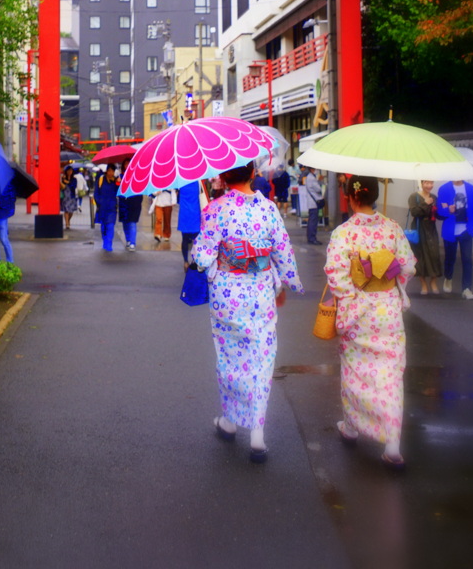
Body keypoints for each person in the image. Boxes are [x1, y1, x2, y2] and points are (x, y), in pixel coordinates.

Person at [190, 163, 303, 463]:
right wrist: (290, 281)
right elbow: (282, 251)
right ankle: (257, 435)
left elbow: (201, 257)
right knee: (261, 357)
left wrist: (202, 247)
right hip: (260, 292)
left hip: (227, 295)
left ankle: (230, 420)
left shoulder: (215, 209)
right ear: (253, 174)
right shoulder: (268, 209)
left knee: (229, 357)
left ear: (224, 176)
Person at [325, 176, 416, 469]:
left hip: (358, 312)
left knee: (355, 371)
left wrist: (354, 296)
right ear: (376, 196)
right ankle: (392, 444)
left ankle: (352, 427)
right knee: (390, 374)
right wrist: (386, 271)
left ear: (350, 199)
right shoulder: (392, 228)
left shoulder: (343, 233)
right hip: (387, 310)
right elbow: (409, 266)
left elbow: (336, 276)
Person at [436, 178, 473, 299]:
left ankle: (466, 289)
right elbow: (440, 211)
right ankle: (448, 278)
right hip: (450, 229)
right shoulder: (444, 189)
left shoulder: (471, 189)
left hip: (466, 230)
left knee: (467, 259)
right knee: (450, 258)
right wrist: (448, 209)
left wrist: (472, 225)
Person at [407, 180, 441, 295]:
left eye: (431, 183)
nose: (429, 185)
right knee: (420, 256)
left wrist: (448, 211)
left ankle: (433, 281)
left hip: (431, 229)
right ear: (421, 183)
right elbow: (414, 212)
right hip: (419, 229)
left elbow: (438, 214)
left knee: (434, 255)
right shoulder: (414, 197)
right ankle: (423, 284)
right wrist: (425, 203)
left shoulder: (434, 197)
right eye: (426, 183)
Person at [94, 163, 120, 253]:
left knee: (110, 225)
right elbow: (96, 192)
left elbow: (119, 192)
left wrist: (118, 183)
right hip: (102, 207)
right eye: (109, 171)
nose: (111, 173)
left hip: (112, 207)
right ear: (106, 171)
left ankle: (108, 244)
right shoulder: (100, 180)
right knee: (104, 226)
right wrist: (99, 202)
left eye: (113, 171)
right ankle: (105, 241)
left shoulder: (116, 181)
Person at [177, 180, 203, 268]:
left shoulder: (181, 183)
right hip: (195, 213)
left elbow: (178, 200)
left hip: (184, 213)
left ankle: (185, 261)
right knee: (196, 240)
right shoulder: (198, 183)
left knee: (184, 239)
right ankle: (195, 260)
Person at [118, 157, 141, 252]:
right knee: (125, 223)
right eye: (125, 164)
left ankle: (132, 243)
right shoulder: (120, 176)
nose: (127, 166)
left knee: (132, 222)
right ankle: (128, 240)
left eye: (129, 163)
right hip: (123, 203)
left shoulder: (137, 176)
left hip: (134, 203)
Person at [304, 167, 323, 244]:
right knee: (313, 221)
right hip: (313, 203)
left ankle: (310, 237)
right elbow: (318, 189)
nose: (317, 170)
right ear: (312, 169)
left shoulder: (309, 177)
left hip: (311, 202)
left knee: (312, 220)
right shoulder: (311, 178)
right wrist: (319, 182)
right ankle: (312, 238)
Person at [60, 165, 78, 231]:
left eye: (71, 170)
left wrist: (68, 182)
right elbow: (60, 186)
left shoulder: (74, 179)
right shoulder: (63, 178)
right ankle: (67, 223)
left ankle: (68, 220)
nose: (69, 172)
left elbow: (74, 186)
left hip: (72, 196)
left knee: (71, 211)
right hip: (65, 196)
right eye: (68, 170)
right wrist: (62, 180)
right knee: (66, 210)